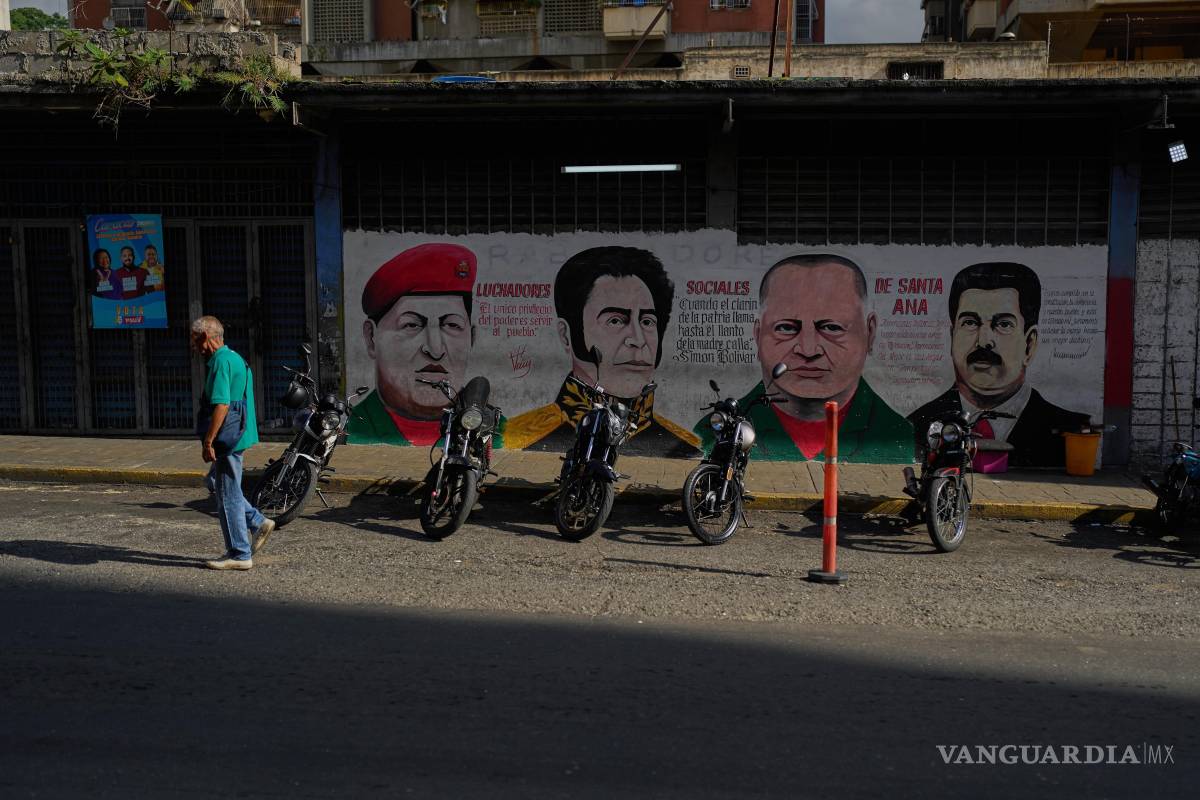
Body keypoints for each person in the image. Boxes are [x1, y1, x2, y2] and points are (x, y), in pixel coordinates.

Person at [695, 253, 912, 462]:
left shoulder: (903, 435)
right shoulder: (712, 434)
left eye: (832, 328)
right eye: (786, 328)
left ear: (869, 332)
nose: (808, 350)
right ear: (758, 335)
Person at [504, 246, 700, 457]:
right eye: (615, 320)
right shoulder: (521, 435)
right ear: (566, 335)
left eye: (647, 321)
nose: (638, 340)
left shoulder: (687, 446)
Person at [907, 262, 1089, 468]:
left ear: (1029, 345)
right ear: (952, 337)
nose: (984, 341)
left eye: (1003, 324)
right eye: (970, 322)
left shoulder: (1068, 430)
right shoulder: (917, 426)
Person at [348, 243, 491, 446]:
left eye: (452, 325)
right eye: (412, 325)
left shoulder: (497, 432)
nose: (435, 349)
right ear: (371, 337)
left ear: (471, 339)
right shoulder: (352, 428)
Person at [191, 315, 275, 570]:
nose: (194, 346)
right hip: (239, 434)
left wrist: (208, 441)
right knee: (217, 483)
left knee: (227, 494)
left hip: (228, 437)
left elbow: (222, 405)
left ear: (205, 337)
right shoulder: (234, 357)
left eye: (195, 340)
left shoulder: (220, 362)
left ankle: (239, 554)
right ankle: (257, 521)